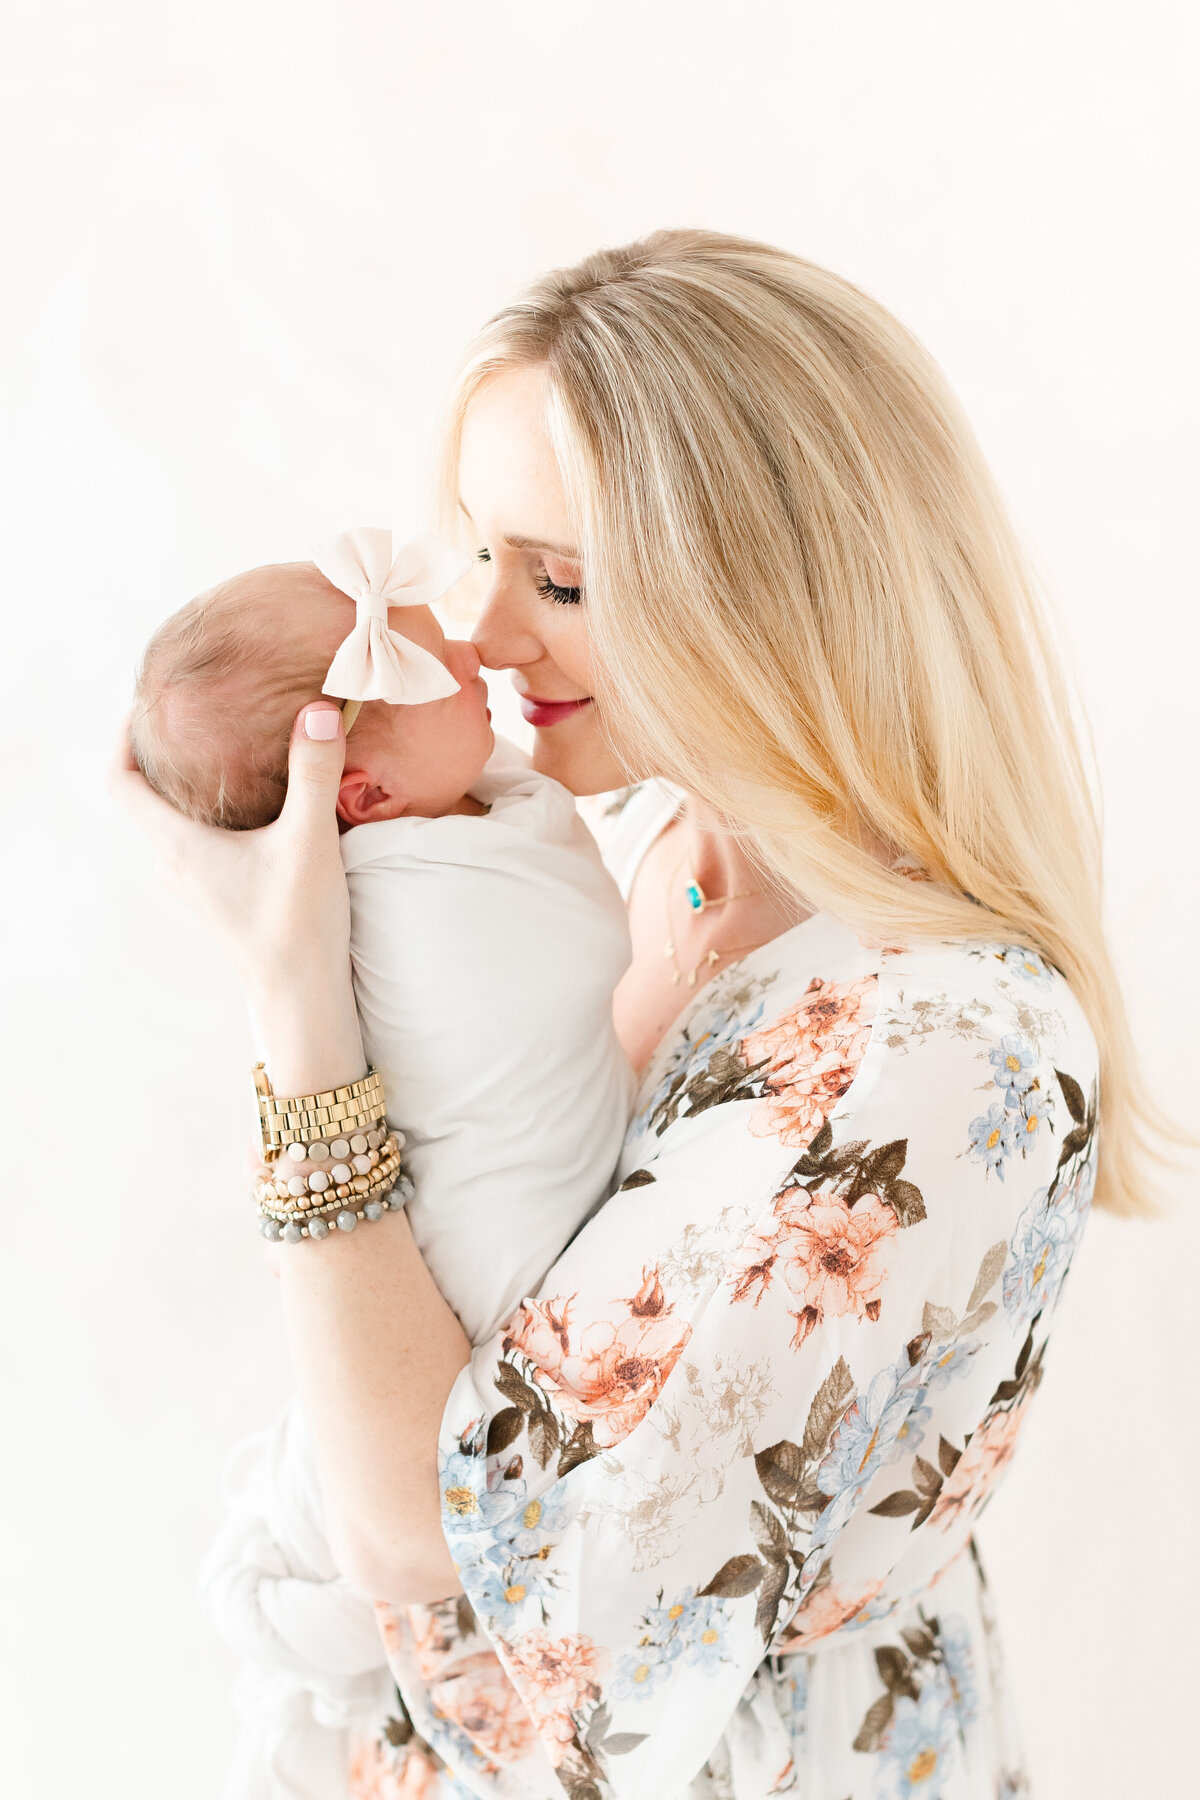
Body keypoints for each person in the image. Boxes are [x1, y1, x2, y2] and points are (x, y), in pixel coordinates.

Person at [114, 230, 1174, 1799]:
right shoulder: (652, 854)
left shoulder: (936, 1049)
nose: (471, 633)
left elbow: (456, 1557)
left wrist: (296, 1013)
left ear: (769, 591)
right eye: (475, 552)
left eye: (561, 580)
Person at [129, 526, 634, 1792]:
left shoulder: (470, 823)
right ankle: (292, 1605)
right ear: (355, 799)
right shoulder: (409, 905)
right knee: (336, 1511)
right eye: (426, 661)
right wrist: (292, 985)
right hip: (470, 1261)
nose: (472, 639)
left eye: (554, 579)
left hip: (509, 1241)